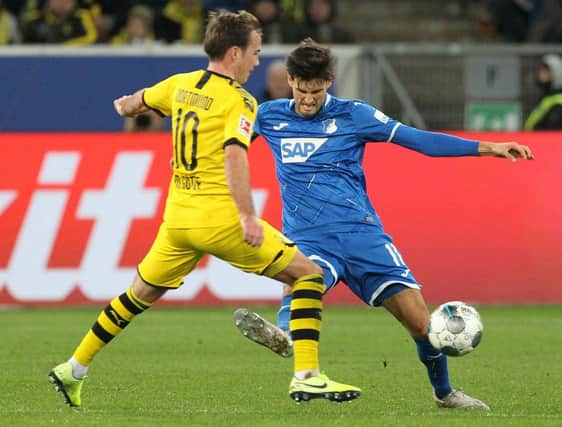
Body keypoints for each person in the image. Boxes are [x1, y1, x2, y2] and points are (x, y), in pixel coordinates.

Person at [48, 11, 360, 408]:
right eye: (254, 53)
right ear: (234, 52)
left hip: (178, 220)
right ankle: (307, 377)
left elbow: (134, 104)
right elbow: (234, 155)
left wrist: (124, 106)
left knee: (137, 294)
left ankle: (73, 368)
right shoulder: (240, 101)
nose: (257, 62)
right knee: (308, 275)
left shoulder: (180, 85)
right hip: (220, 219)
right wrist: (247, 216)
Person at [234, 38, 534, 410]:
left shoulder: (353, 115)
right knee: (301, 279)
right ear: (290, 80)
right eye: (301, 89)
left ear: (329, 81)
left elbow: (417, 139)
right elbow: (228, 148)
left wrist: (488, 147)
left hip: (362, 236)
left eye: (316, 90)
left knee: (421, 324)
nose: (308, 99)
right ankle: (287, 334)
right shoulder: (269, 116)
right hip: (308, 237)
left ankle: (445, 394)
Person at [21, 0, 98, 45]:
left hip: (73, 61)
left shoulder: (80, 17)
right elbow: (26, 46)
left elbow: (90, 38)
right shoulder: (35, 20)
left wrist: (62, 47)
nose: (62, 4)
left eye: (67, 1)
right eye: (59, 0)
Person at [524, 54, 562, 130]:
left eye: (545, 71)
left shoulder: (558, 101)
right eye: (540, 70)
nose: (540, 74)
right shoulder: (546, 97)